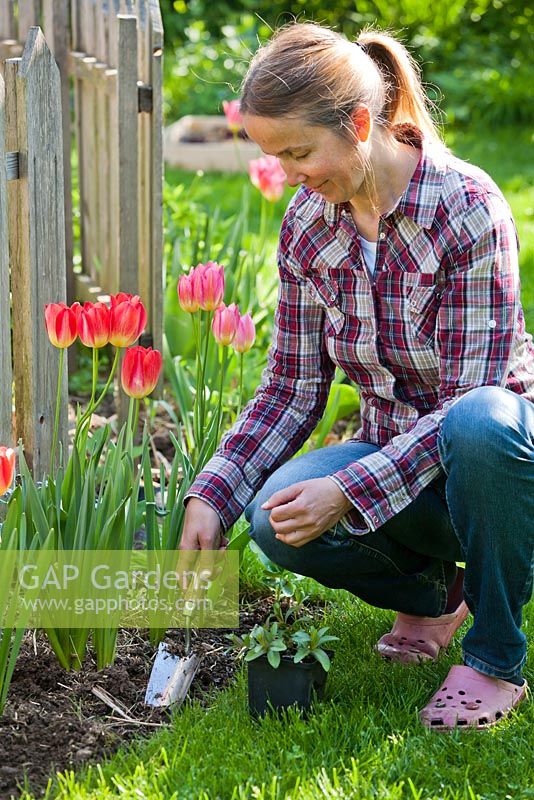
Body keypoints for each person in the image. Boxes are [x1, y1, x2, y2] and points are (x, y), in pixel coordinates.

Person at [181, 22, 534, 730]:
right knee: (274, 518)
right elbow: (291, 388)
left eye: (299, 152)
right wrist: (212, 496)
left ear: (361, 124)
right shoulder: (310, 225)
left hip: (497, 471)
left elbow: (473, 401)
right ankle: (435, 600)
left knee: (481, 422)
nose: (288, 174)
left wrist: (346, 488)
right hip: (397, 471)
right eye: (275, 156)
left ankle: (496, 656)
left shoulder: (466, 208)